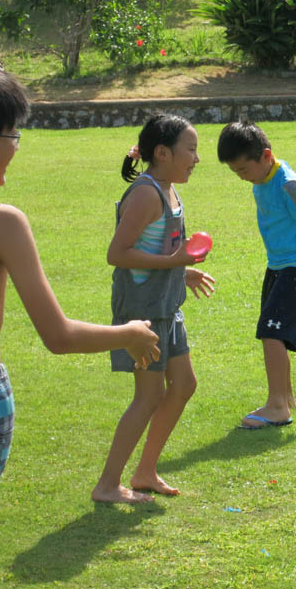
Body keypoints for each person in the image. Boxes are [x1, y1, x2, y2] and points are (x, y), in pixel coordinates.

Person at [0, 61, 159, 589]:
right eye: (11, 135)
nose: (16, 146)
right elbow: (58, 336)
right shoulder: (2, 223)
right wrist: (130, 334)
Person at [93, 114, 215, 504]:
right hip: (143, 313)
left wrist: (182, 275)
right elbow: (118, 253)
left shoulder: (170, 190)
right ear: (162, 153)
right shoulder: (147, 193)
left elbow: (160, 249)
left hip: (166, 306)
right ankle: (108, 485)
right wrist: (176, 264)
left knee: (184, 385)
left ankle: (145, 472)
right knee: (147, 397)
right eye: (190, 150)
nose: (196, 158)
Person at [217, 121, 296, 430]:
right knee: (275, 333)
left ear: (266, 156)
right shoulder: (261, 181)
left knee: (271, 332)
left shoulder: (288, 184)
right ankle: (281, 397)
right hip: (278, 266)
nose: (243, 178)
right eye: (236, 173)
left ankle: (277, 406)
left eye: (244, 170)